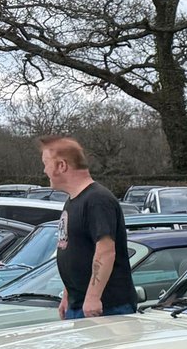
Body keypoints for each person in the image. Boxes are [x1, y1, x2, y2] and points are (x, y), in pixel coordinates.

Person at [42, 135, 138, 320]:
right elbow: (75, 251)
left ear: (62, 165)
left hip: (106, 308)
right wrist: (68, 296)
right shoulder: (72, 201)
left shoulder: (97, 200)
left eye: (46, 163)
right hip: (79, 305)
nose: (44, 170)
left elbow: (106, 251)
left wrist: (93, 297)